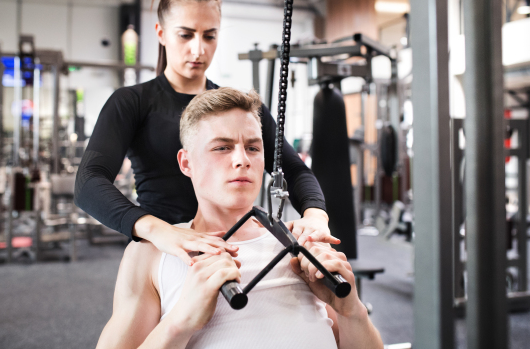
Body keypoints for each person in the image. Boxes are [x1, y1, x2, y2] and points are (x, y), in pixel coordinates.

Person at [74, 0, 338, 265]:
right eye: (185, 35)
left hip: (234, 248)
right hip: (165, 250)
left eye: (209, 36)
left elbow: (295, 169)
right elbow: (88, 182)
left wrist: (315, 214)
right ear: (161, 33)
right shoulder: (132, 102)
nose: (198, 49)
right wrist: (159, 231)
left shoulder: (239, 108)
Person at [95, 88, 382, 349]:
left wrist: (351, 311)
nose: (242, 159)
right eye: (222, 147)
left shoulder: (302, 246)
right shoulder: (151, 254)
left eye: (253, 148)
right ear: (186, 163)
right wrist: (179, 322)